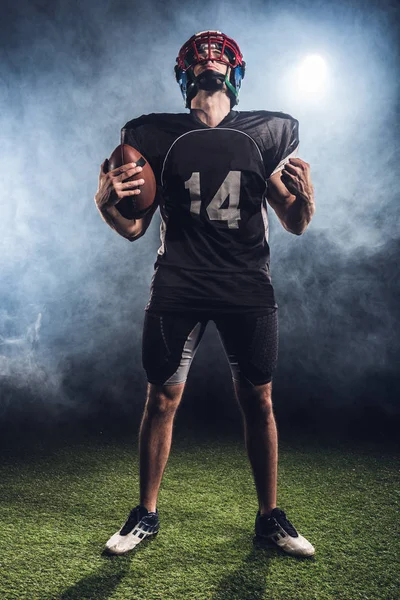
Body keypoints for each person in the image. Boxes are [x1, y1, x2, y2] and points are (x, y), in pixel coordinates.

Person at [94, 30, 315, 557]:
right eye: (198, 59)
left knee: (258, 399)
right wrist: (104, 204)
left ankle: (270, 518)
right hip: (180, 281)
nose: (208, 63)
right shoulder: (153, 134)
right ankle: (145, 514)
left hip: (245, 283)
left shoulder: (266, 132)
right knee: (162, 398)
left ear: (234, 73)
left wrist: (307, 202)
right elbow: (132, 230)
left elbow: (296, 223)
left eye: (217, 58)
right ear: (184, 75)